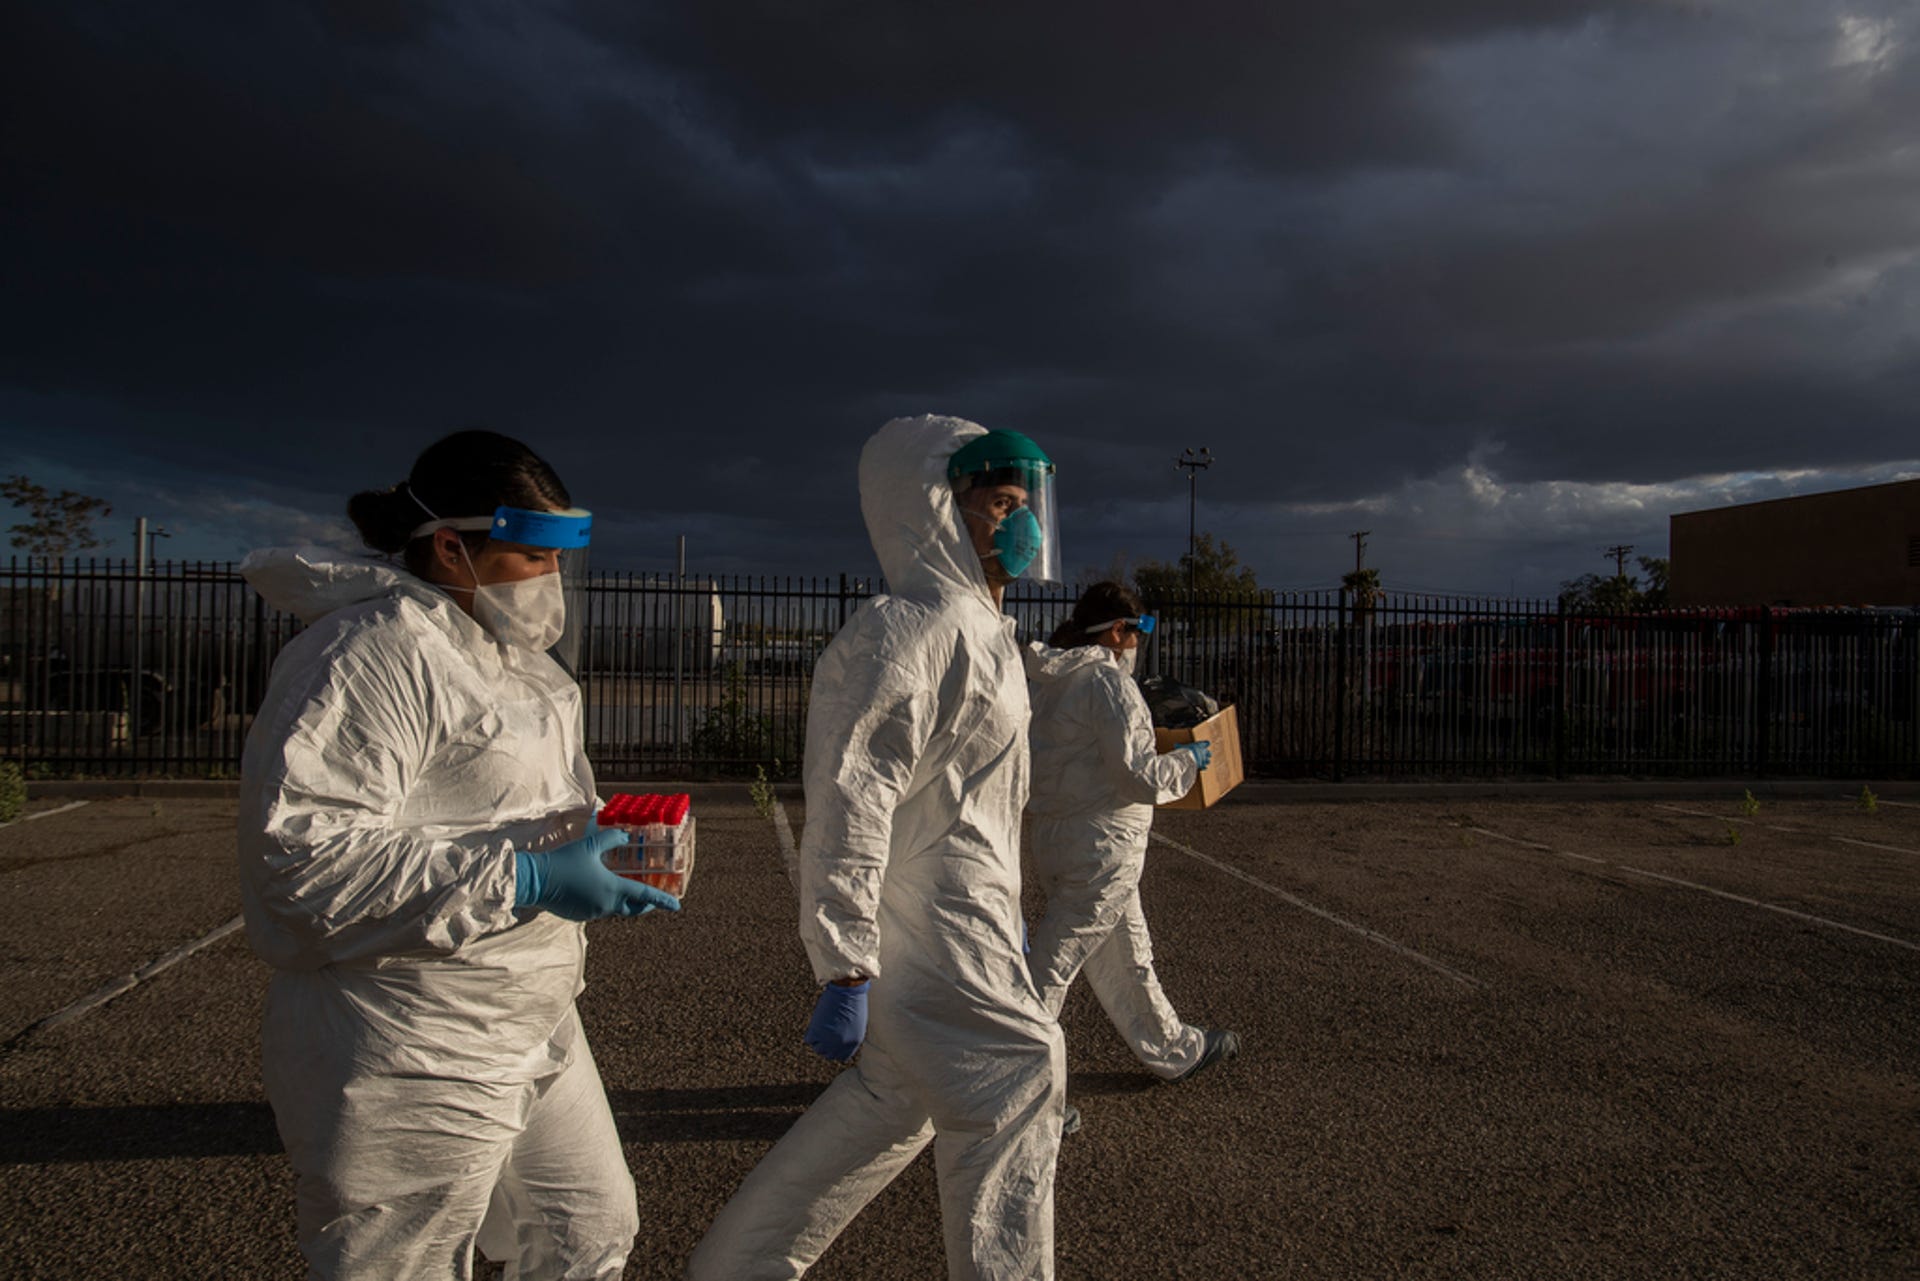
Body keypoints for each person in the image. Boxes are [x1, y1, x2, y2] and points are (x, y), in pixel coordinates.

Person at [237, 429, 679, 1280]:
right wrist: (528, 876)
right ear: (450, 546)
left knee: (588, 1229)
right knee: (402, 1264)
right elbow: (300, 868)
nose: (552, 584)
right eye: (532, 558)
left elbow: (504, 803)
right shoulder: (369, 656)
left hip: (530, 1008)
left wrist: (596, 845)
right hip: (407, 1036)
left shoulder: (516, 665)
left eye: (560, 561)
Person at [687, 415, 1067, 1281]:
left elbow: (976, 807)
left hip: (966, 927)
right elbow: (851, 798)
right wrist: (845, 959)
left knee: (893, 1103)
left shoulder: (984, 632)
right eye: (999, 503)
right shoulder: (905, 632)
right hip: (929, 937)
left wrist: (1004, 922)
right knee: (1021, 1076)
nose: (1021, 523)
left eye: (1022, 503)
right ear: (936, 509)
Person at [1023, 581, 1241, 1088]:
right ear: (1118, 631)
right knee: (1050, 972)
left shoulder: (1049, 680)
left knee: (1128, 952)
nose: (1140, 643)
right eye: (1139, 630)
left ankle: (1174, 1049)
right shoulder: (1108, 684)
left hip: (1060, 840)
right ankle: (1012, 1091)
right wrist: (1187, 761)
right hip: (1103, 848)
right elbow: (1138, 778)